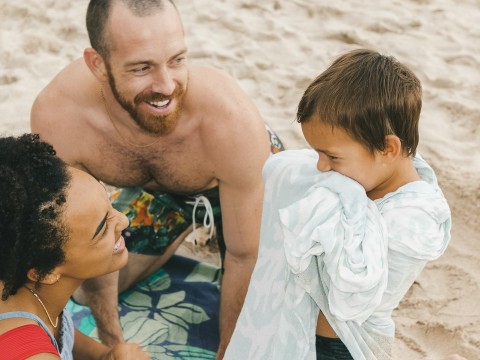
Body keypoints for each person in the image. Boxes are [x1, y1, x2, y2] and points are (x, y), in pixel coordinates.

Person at [30, 0, 284, 357]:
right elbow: (92, 229)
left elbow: (246, 255)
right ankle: (182, 227)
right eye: (142, 67)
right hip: (162, 196)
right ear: (98, 65)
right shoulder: (60, 119)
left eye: (177, 60)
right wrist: (113, 347)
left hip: (250, 186)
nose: (166, 85)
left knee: (277, 306)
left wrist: (228, 352)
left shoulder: (229, 120)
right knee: (84, 288)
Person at [224, 49, 451, 359]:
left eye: (331, 156)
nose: (320, 167)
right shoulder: (369, 174)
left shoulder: (416, 218)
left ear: (387, 148)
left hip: (344, 345)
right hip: (304, 327)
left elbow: (350, 289)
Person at [0, 133, 150, 359]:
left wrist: (108, 355)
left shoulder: (38, 293)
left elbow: (65, 335)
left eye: (110, 206)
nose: (123, 220)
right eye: (102, 228)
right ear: (46, 272)